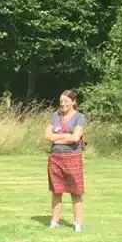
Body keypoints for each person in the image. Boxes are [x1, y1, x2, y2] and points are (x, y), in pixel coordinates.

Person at [45, 89, 87, 231]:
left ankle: (78, 224)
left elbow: (76, 138)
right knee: (56, 191)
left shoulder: (79, 117)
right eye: (61, 101)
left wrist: (57, 138)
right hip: (55, 157)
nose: (62, 104)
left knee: (76, 192)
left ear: (73, 102)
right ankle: (54, 222)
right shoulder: (55, 116)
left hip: (72, 157)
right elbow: (47, 136)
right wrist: (66, 137)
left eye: (66, 101)